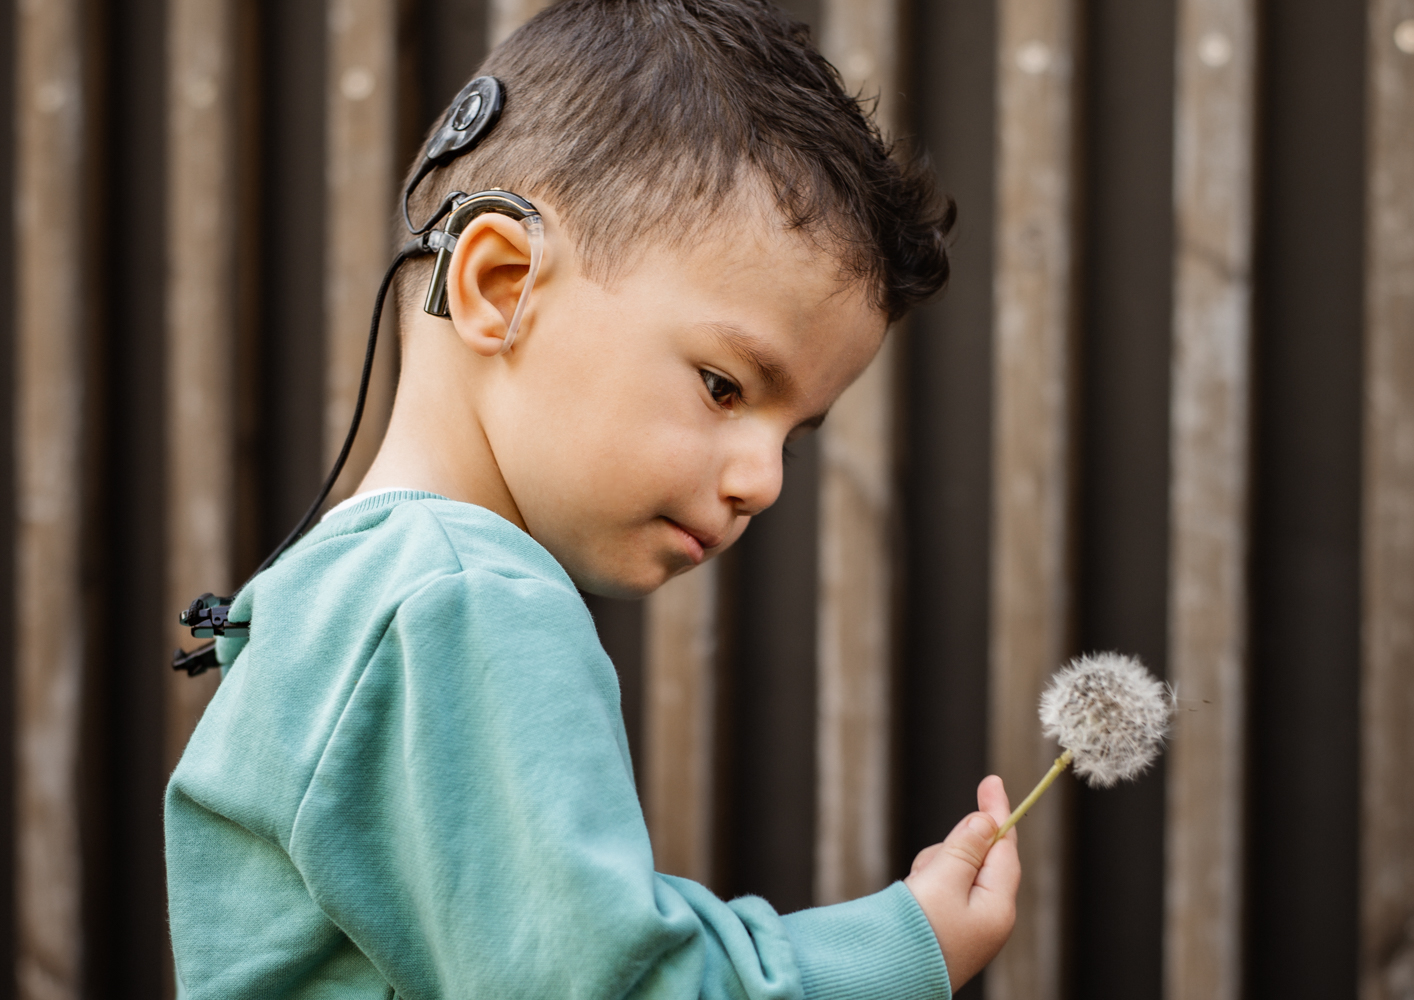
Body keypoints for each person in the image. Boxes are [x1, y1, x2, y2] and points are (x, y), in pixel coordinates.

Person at [165, 1, 1019, 996]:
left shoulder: (342, 597)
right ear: (499, 283)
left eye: (793, 435)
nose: (764, 481)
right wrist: (904, 947)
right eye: (725, 386)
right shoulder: (462, 606)